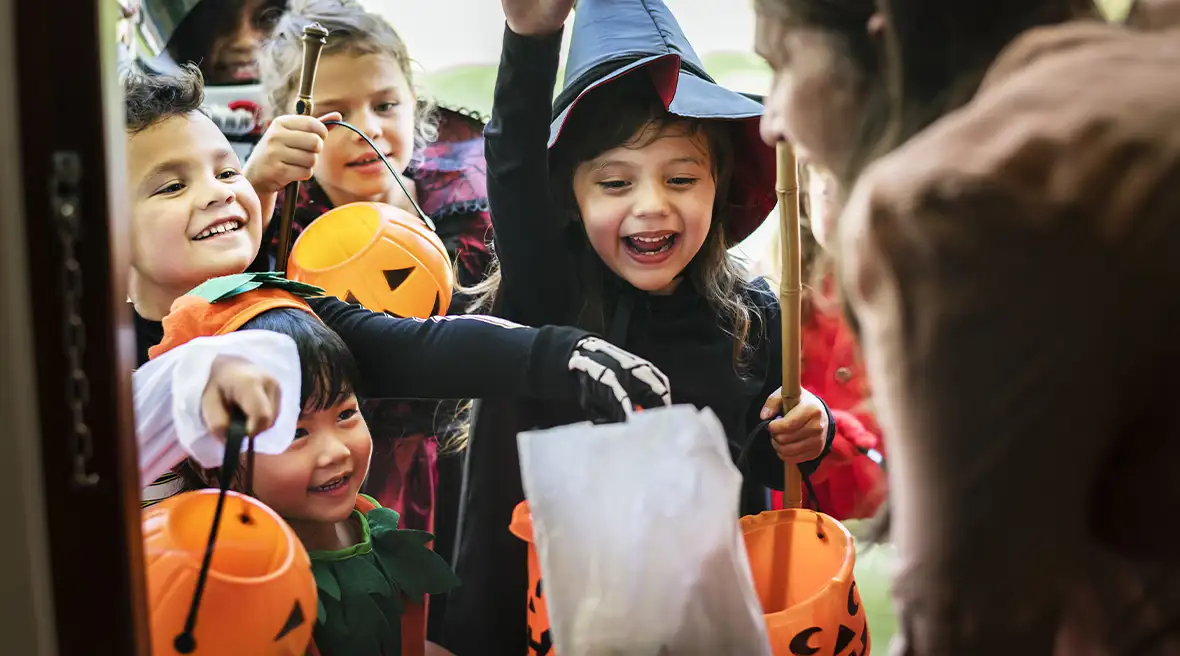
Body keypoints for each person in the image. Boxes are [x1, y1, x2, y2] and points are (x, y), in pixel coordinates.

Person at [761, 0, 1180, 652]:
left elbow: (967, 630)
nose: (771, 123)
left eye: (783, 62)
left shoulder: (950, 207)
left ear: (882, 33)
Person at [442, 0, 853, 651]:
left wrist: (809, 432)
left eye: (682, 177)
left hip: (698, 619)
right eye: (614, 183)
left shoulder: (755, 316)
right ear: (567, 201)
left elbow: (770, 455)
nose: (652, 205)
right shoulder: (545, 293)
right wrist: (529, 39)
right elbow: (515, 166)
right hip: (537, 621)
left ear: (718, 184)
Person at [122, 65, 673, 509]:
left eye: (226, 172)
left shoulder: (278, 310)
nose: (218, 193)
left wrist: (564, 355)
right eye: (172, 185)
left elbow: (422, 344)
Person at [247, 6, 496, 612]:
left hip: (463, 454)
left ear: (416, 104)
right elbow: (227, 290)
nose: (367, 129)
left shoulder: (461, 201)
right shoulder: (282, 222)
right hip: (351, 466)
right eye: (336, 116)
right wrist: (256, 188)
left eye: (386, 105)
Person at [149, 277, 459, 655]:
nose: (335, 452)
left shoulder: (371, 521)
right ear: (213, 462)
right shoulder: (231, 577)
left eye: (345, 413)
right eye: (296, 433)